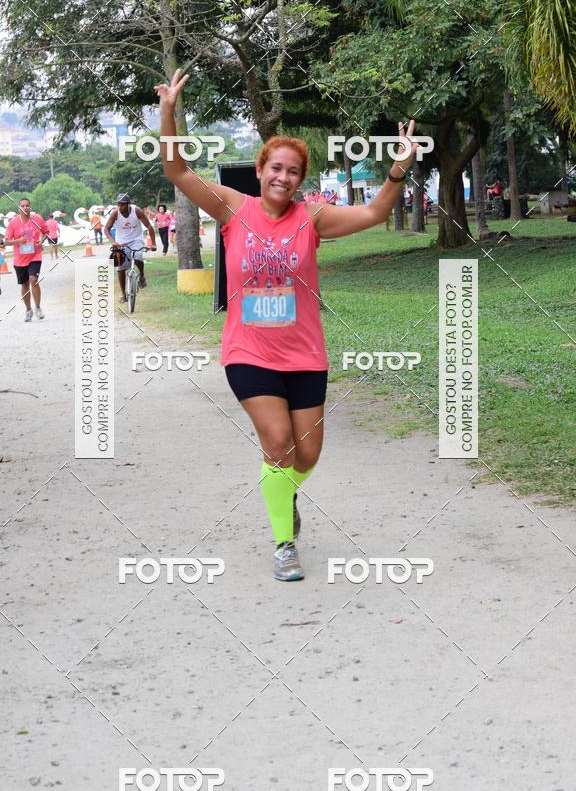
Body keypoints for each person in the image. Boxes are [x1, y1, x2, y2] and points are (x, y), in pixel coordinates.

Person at [156, 69, 420, 581]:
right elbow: (177, 171)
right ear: (260, 170)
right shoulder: (232, 208)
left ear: (301, 179)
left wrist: (397, 171)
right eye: (276, 167)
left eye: (293, 171)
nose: (283, 177)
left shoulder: (312, 218)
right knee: (278, 444)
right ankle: (284, 544)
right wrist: (169, 112)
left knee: (307, 453)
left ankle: (284, 492)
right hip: (248, 352)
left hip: (304, 355)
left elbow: (373, 214)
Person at [104, 193, 156, 303]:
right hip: (121, 242)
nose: (120, 207)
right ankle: (123, 295)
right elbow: (106, 229)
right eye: (119, 204)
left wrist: (154, 243)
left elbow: (149, 226)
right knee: (120, 267)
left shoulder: (136, 211)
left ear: (128, 204)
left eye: (123, 205)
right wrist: (113, 242)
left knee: (137, 256)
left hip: (136, 239)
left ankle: (142, 276)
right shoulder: (115, 213)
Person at [3, 198, 49, 321]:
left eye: (27, 205)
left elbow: (46, 232)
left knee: (33, 280)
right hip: (20, 259)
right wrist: (18, 241)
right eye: (22, 206)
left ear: (30, 207)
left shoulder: (37, 219)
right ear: (19, 208)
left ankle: (38, 307)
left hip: (35, 256)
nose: (25, 208)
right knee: (24, 284)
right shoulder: (13, 223)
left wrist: (41, 241)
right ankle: (28, 310)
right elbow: (6, 242)